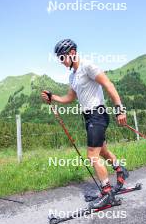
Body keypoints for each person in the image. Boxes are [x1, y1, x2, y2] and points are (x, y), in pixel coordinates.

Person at [41, 39, 129, 209]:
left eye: (62, 57)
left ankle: (107, 192)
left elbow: (108, 84)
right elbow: (70, 98)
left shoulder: (88, 66)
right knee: (102, 151)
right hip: (88, 117)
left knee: (92, 156)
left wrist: (120, 109)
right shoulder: (72, 76)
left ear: (72, 53)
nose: (61, 61)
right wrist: (53, 98)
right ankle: (120, 170)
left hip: (98, 114)